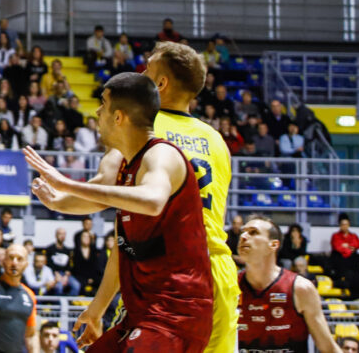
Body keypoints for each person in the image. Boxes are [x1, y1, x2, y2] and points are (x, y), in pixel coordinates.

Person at [25, 72, 213, 353]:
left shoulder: (160, 156)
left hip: (175, 314)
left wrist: (67, 184)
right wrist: (96, 309)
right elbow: (123, 248)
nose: (98, 111)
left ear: (119, 117)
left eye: (103, 104)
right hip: (141, 314)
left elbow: (151, 200)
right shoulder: (126, 165)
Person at [237, 215, 342, 353]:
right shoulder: (229, 286)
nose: (243, 236)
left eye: (253, 232)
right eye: (242, 232)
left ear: (273, 244)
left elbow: (329, 348)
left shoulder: (300, 288)